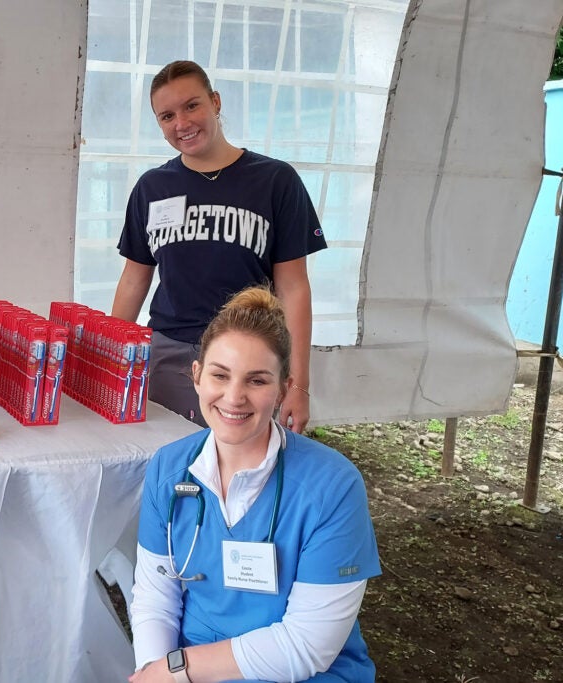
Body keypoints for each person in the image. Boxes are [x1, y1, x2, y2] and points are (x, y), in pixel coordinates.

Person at [128, 287, 380, 683]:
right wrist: (152, 672)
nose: (234, 397)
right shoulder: (169, 469)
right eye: (219, 375)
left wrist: (177, 671)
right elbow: (155, 601)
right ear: (196, 376)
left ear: (283, 389)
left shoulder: (333, 487)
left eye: (257, 381)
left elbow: (307, 644)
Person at [111, 60, 326, 434]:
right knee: (171, 461)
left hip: (249, 358)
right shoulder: (152, 188)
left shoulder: (276, 181)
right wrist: (111, 356)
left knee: (241, 468)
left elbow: (293, 287)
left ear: (215, 102)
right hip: (170, 356)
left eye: (192, 105)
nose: (182, 123)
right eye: (167, 116)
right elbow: (134, 279)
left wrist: (297, 383)